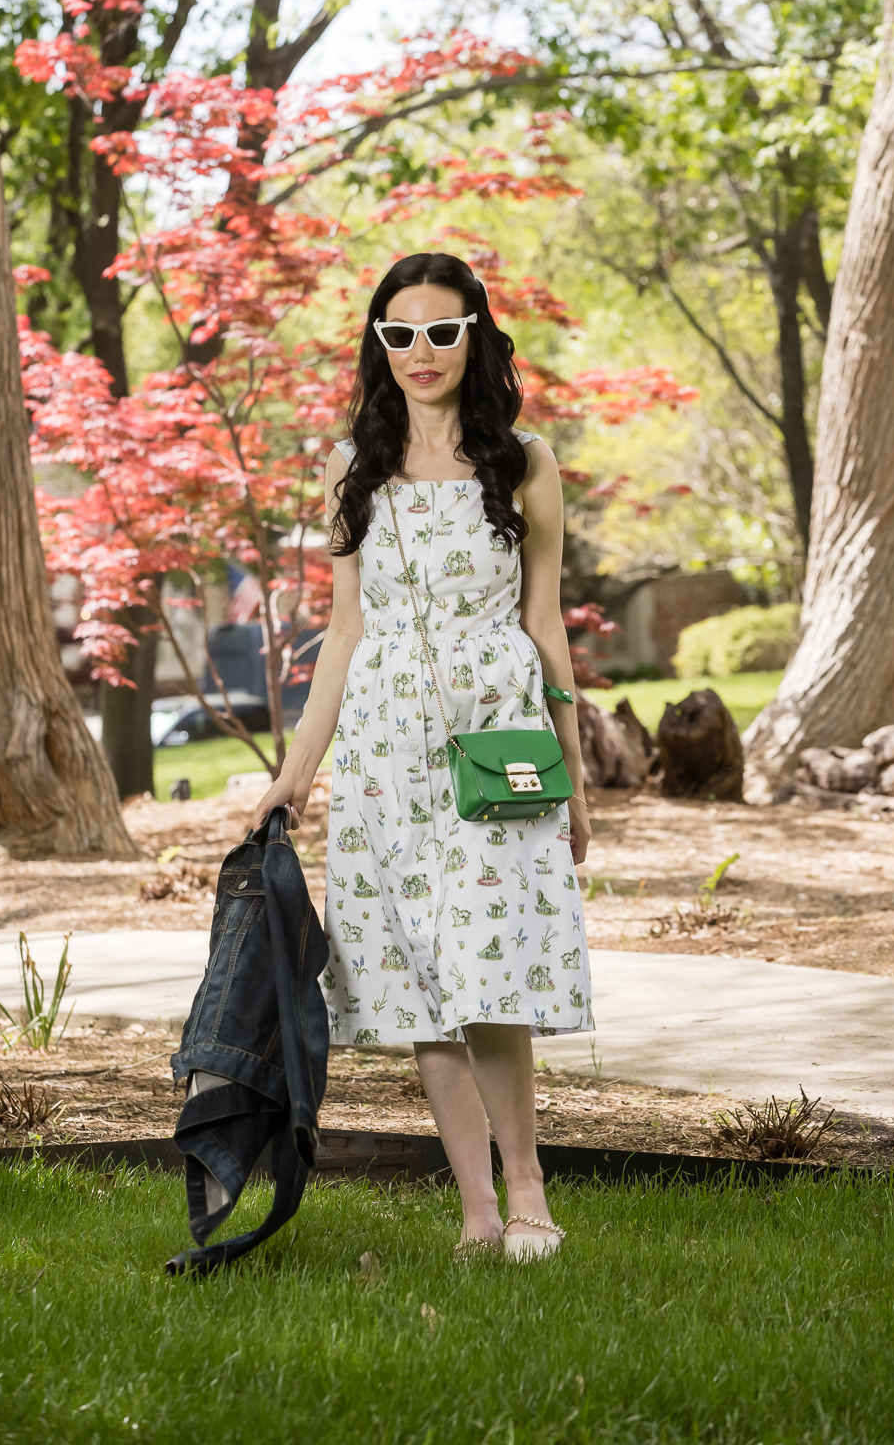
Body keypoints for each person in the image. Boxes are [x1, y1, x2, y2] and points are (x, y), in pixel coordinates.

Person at [253, 251, 593, 1258]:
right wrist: (296, 775)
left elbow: (545, 624)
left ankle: (529, 1194)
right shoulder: (350, 467)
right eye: (397, 335)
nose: (419, 353)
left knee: (488, 973)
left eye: (441, 331)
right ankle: (477, 1214)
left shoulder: (524, 463)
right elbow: (344, 632)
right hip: (383, 753)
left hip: (496, 741)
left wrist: (571, 774)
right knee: (420, 983)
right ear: (378, 346)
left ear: (477, 334)